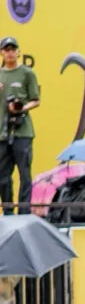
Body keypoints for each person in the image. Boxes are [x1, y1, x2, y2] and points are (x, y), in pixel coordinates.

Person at [0, 37, 40, 215]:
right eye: (6, 49)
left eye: (13, 49)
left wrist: (21, 108)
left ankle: (24, 212)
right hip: (2, 133)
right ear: (1, 53)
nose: (10, 53)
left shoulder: (27, 73)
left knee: (24, 174)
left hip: (22, 131)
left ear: (18, 52)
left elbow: (36, 100)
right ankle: (7, 212)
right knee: (3, 176)